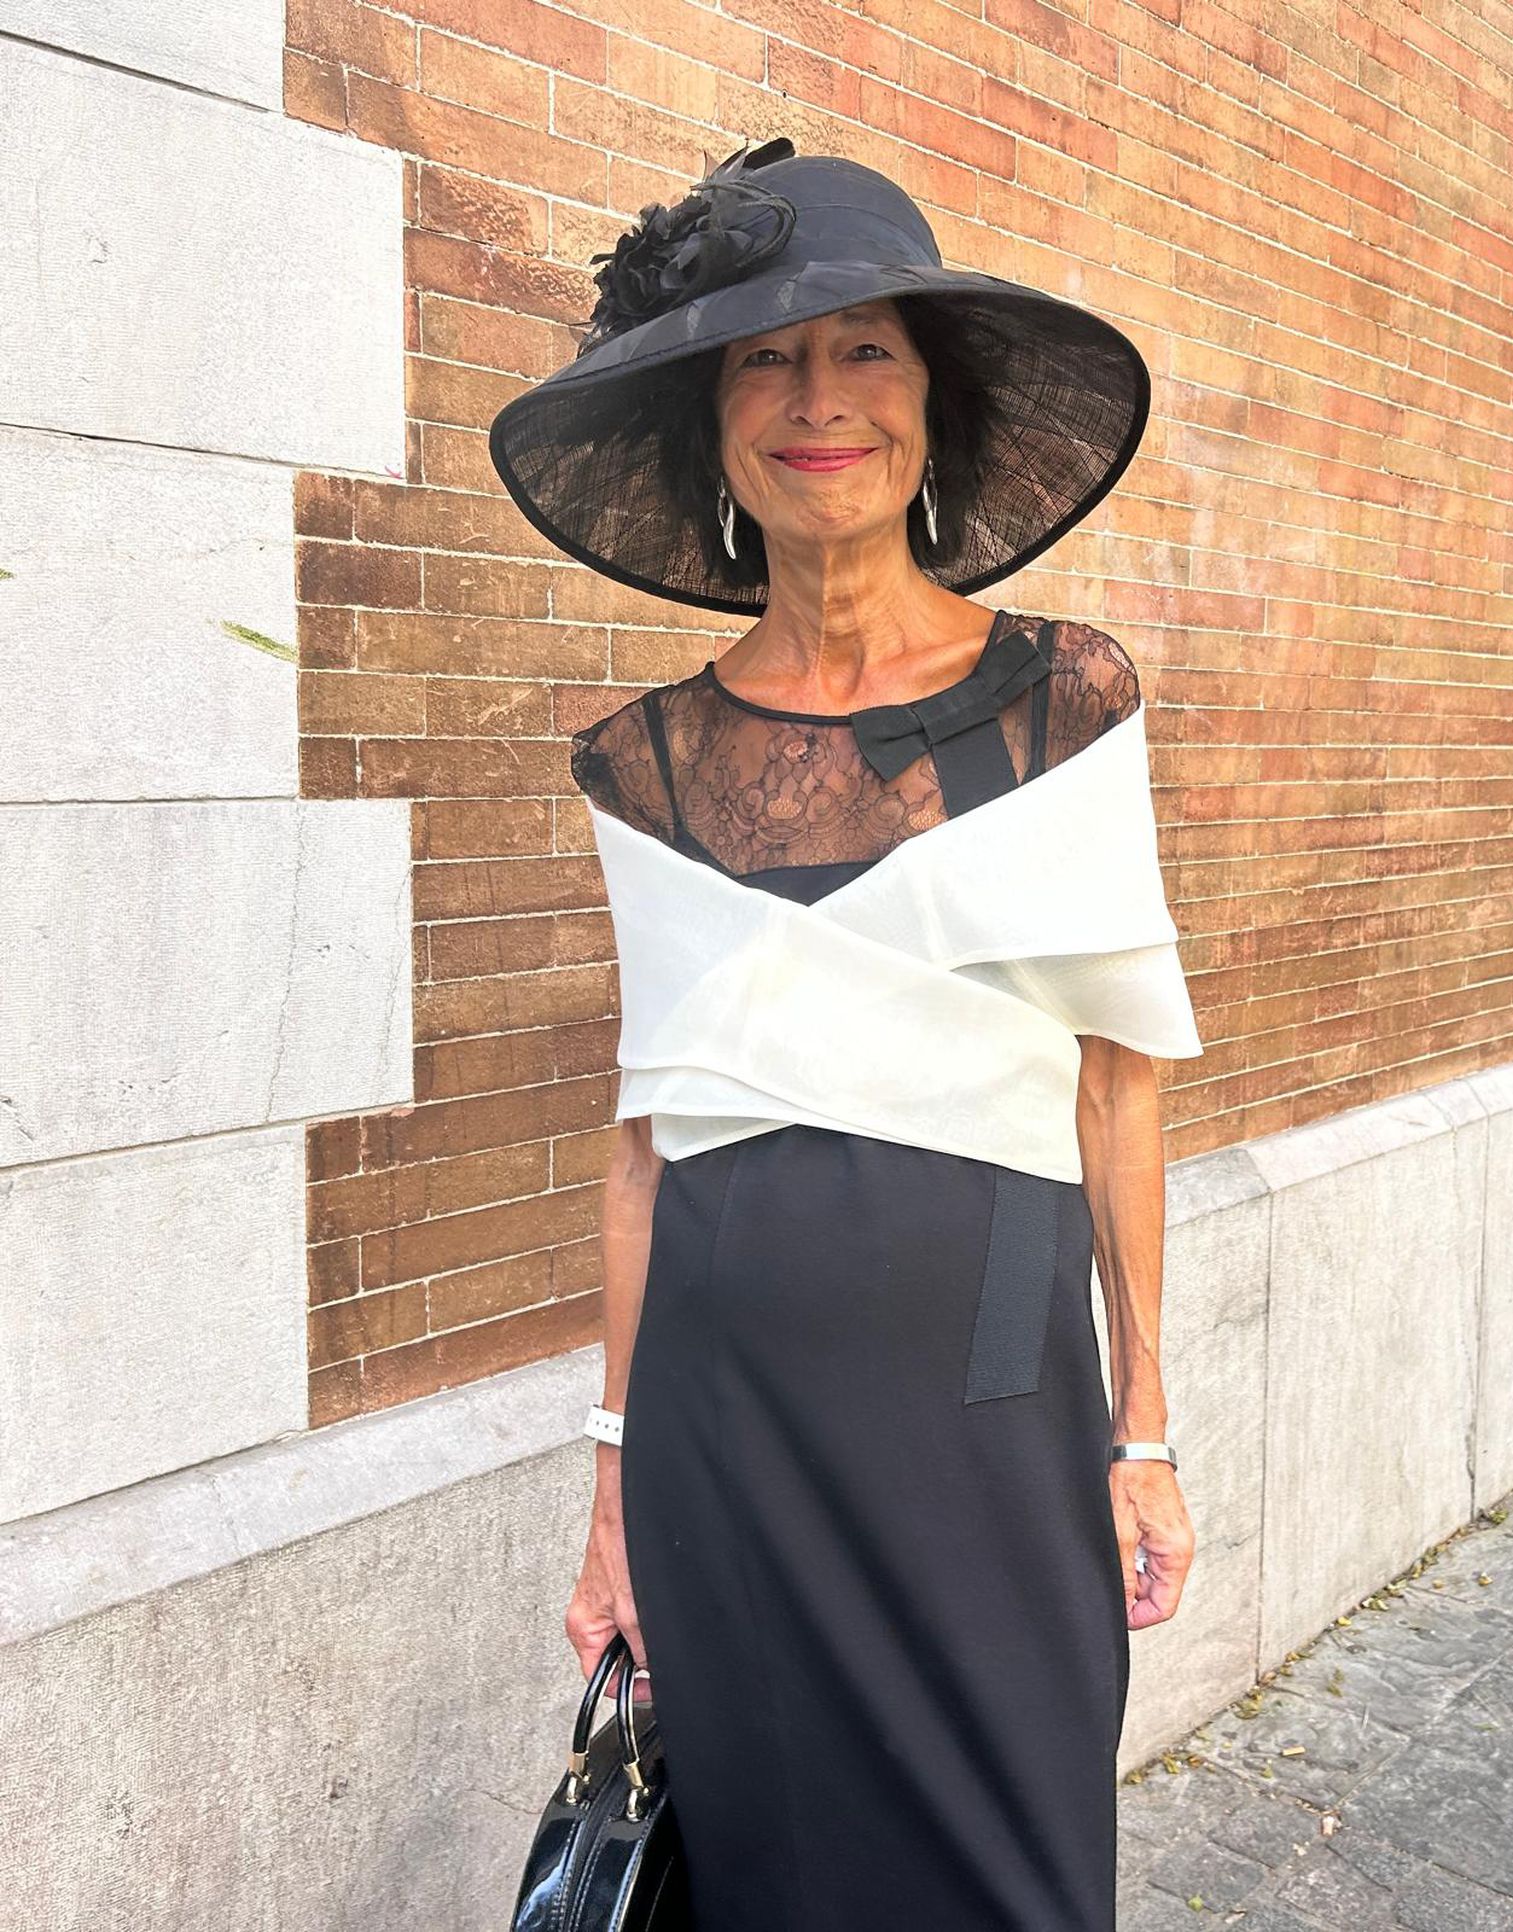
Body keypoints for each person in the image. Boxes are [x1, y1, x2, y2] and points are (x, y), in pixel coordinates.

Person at [489, 138, 1204, 1931]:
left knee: (1014, 1876)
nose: (820, 400)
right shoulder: (643, 762)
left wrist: (1145, 1432)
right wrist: (612, 1494)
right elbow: (646, 1141)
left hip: (992, 1405)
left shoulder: (1065, 699)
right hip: (728, 1432)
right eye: (766, 358)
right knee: (773, 1876)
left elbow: (1116, 1087)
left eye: (866, 348)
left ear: (933, 406)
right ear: (715, 428)